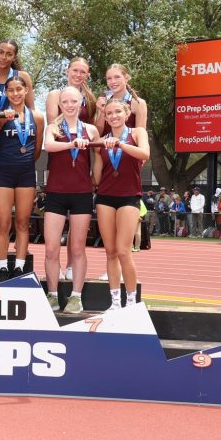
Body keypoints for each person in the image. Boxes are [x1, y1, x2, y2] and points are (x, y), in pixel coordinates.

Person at [42, 87, 100, 313]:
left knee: (77, 248)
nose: (69, 105)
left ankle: (76, 296)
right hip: (55, 194)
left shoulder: (91, 130)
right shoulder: (53, 128)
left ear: (81, 102)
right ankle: (53, 294)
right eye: (64, 101)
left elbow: (97, 157)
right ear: (60, 104)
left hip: (82, 194)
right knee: (51, 248)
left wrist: (96, 178)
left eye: (73, 101)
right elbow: (49, 146)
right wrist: (71, 144)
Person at [93, 98, 149, 311]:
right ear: (105, 118)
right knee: (110, 252)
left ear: (127, 114)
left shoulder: (137, 133)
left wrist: (121, 145)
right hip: (105, 197)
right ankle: (115, 301)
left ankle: (132, 300)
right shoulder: (102, 140)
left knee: (124, 250)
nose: (114, 116)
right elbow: (97, 178)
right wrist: (90, 150)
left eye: (118, 112)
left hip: (129, 197)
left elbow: (145, 154)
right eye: (109, 114)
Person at [0, 76, 44, 280]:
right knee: (3, 223)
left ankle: (19, 266)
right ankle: (2, 266)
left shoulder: (37, 117)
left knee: (22, 222)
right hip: (3, 174)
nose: (15, 94)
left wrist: (24, 160)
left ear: (26, 90)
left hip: (26, 174)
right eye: (10, 90)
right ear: (5, 93)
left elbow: (37, 149)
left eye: (19, 89)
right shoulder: (1, 116)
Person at [44, 57, 97, 279]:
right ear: (67, 70)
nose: (78, 74)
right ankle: (55, 280)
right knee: (54, 237)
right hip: (61, 160)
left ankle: (70, 267)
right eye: (75, 70)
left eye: (83, 72)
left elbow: (95, 131)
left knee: (77, 241)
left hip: (81, 165)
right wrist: (71, 140)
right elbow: (53, 124)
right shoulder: (56, 95)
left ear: (87, 74)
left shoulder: (91, 99)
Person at [95, 63, 148, 135]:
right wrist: (103, 112)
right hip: (106, 145)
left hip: (128, 145)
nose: (113, 81)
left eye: (117, 77)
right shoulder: (103, 101)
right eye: (109, 78)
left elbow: (141, 136)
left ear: (126, 78)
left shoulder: (138, 103)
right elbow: (97, 135)